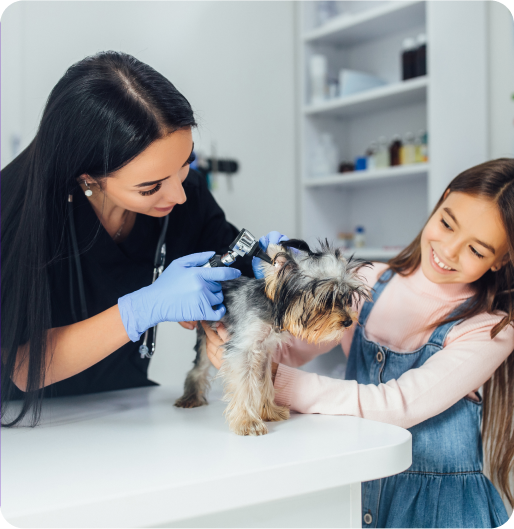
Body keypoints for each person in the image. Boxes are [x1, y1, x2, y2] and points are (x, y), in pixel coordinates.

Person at [204, 159, 514, 527]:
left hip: (438, 510)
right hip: (359, 489)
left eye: (476, 250)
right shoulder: (366, 281)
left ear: (502, 259)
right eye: (447, 223)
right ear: (443, 198)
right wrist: (243, 336)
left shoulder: (491, 329)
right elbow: (291, 345)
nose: (448, 251)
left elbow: (396, 405)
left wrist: (271, 376)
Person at [0, 51, 278, 427]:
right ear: (88, 178)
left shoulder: (187, 196)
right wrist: (141, 309)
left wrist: (278, 272)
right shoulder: (13, 212)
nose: (178, 196)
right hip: (30, 424)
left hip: (130, 409)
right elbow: (18, 365)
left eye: (185, 165)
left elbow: (237, 269)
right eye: (151, 187)